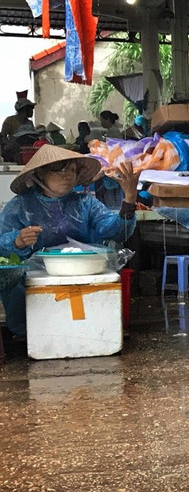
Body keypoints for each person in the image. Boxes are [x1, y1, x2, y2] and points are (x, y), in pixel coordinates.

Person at [0, 146, 138, 348]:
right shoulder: (20, 205)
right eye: (60, 170)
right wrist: (17, 241)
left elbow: (116, 231)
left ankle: (100, 327)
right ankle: (26, 332)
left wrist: (129, 201)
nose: (67, 176)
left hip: (82, 266)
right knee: (10, 275)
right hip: (33, 272)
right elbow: (2, 243)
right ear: (40, 174)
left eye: (72, 170)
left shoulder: (86, 202)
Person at [1, 94, 34, 162]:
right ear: (24, 109)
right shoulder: (10, 120)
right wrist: (9, 144)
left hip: (27, 151)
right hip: (14, 152)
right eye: (31, 108)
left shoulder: (29, 123)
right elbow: (2, 136)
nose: (32, 111)